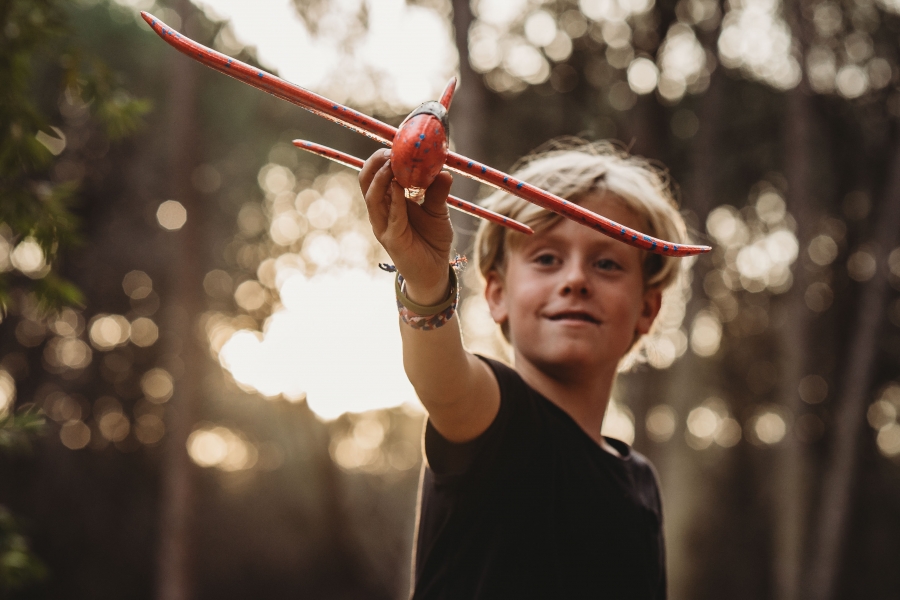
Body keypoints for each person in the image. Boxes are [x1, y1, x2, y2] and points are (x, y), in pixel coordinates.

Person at [358, 138, 691, 600]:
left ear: (647, 308)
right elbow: (445, 384)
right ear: (496, 294)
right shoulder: (497, 420)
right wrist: (427, 283)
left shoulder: (641, 483)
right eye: (547, 259)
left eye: (607, 263)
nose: (575, 279)